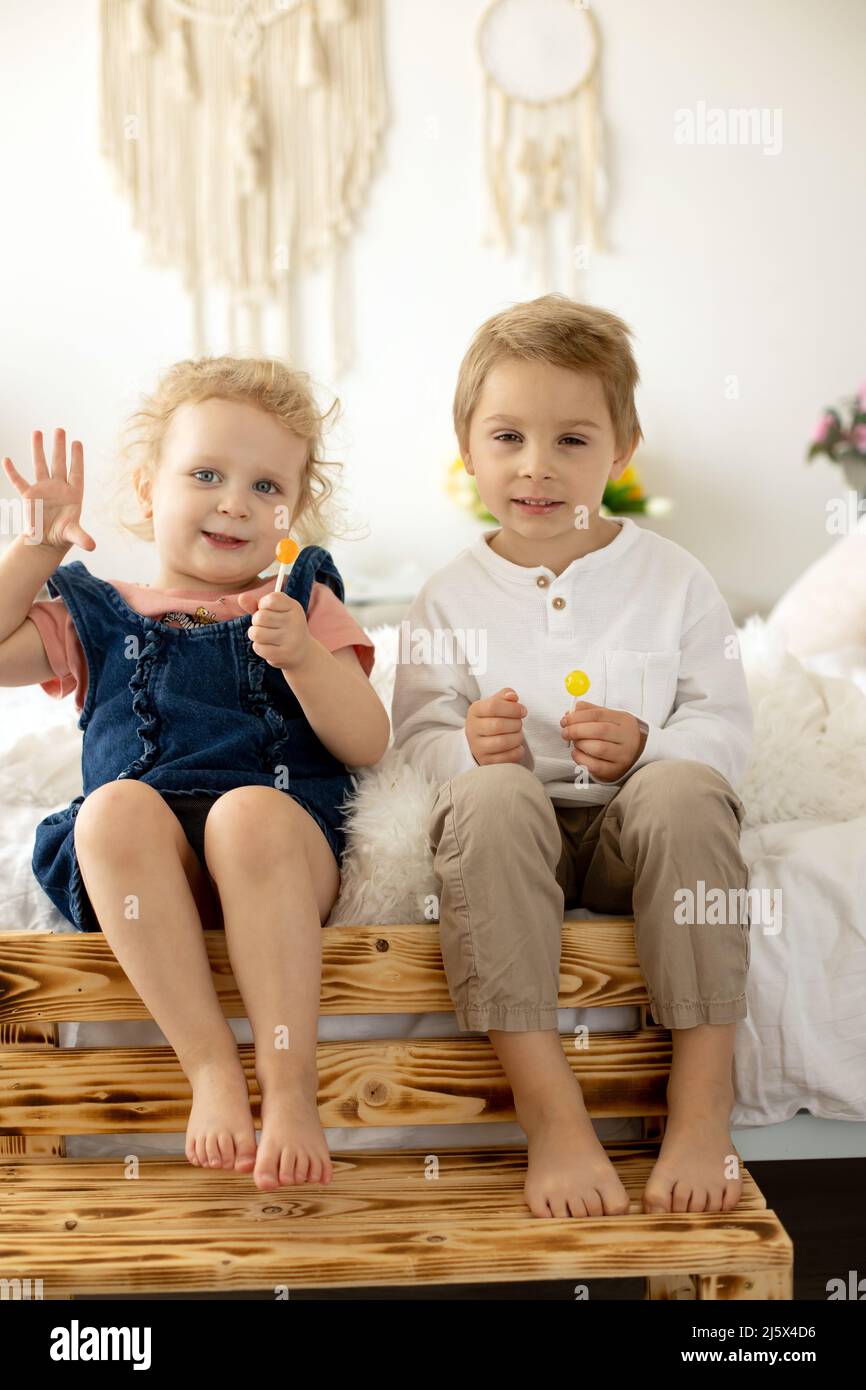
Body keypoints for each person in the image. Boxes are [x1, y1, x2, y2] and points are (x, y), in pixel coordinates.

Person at [391, 294, 754, 1220]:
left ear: (622, 448)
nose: (536, 467)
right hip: (518, 841)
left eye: (572, 441)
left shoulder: (675, 579)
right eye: (507, 437)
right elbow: (416, 742)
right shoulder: (445, 596)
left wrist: (650, 745)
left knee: (682, 791)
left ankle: (702, 1101)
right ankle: (553, 1116)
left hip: (636, 835)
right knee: (490, 799)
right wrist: (465, 748)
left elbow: (726, 726)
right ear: (468, 447)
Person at [0, 356, 390, 1193]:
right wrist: (33, 549)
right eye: (206, 474)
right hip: (147, 875)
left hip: (278, 852)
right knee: (108, 812)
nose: (233, 501)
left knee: (248, 813)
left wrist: (307, 662)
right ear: (146, 492)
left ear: (295, 509)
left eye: (264, 486)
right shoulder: (95, 611)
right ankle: (211, 1066)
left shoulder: (300, 600)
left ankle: (288, 1091)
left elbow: (366, 741)